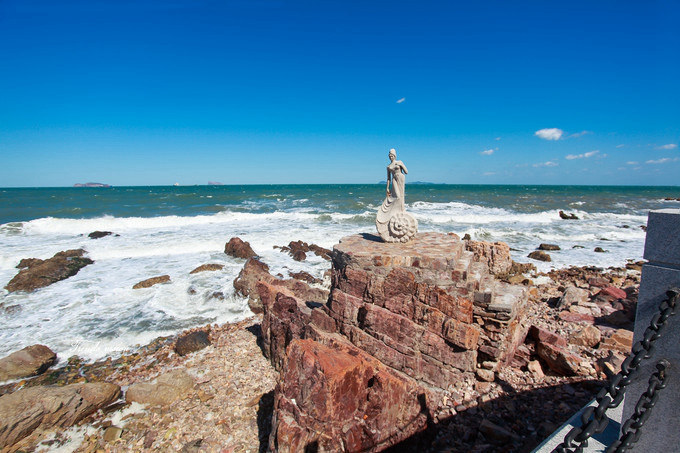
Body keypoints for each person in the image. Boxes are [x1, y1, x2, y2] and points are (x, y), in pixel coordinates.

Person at [376, 148, 413, 241]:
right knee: (396, 196)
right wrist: (387, 187)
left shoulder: (399, 162)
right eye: (390, 155)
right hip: (394, 180)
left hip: (400, 177)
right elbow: (388, 178)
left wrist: (401, 165)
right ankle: (390, 212)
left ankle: (400, 211)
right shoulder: (388, 166)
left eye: (392, 155)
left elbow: (406, 171)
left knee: (400, 197)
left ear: (395, 155)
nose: (391, 157)